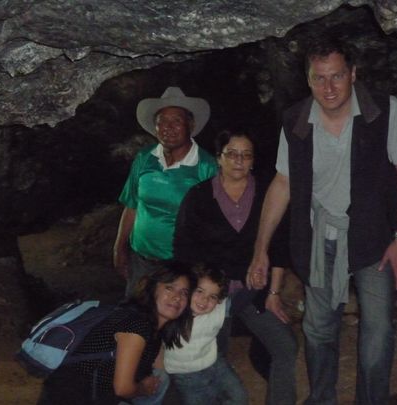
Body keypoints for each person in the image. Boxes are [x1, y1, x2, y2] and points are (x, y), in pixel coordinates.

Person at [248, 35, 397, 405]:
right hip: (318, 240)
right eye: (319, 78)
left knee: (378, 330)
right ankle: (322, 398)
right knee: (319, 329)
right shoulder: (295, 120)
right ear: (308, 79)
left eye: (337, 76)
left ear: (353, 73)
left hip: (373, 239)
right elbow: (282, 183)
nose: (329, 87)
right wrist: (260, 249)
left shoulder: (385, 112)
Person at [174, 129, 298, 405]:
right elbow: (183, 250)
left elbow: (279, 245)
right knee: (211, 358)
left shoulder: (269, 194)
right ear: (219, 158)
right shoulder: (199, 197)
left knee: (285, 346)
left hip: (253, 293)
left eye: (246, 155)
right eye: (231, 154)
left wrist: (273, 294)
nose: (239, 161)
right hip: (212, 297)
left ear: (254, 160)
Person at [37, 264, 196, 405]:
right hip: (70, 398)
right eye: (169, 287)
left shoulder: (154, 326)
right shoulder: (136, 325)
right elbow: (123, 388)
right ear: (153, 288)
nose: (177, 297)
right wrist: (143, 388)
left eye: (184, 293)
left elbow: (158, 366)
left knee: (161, 378)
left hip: (93, 393)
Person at [113, 87, 217, 296]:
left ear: (191, 124)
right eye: (161, 121)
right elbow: (132, 205)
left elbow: (213, 221)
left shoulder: (206, 166)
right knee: (135, 319)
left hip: (181, 265)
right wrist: (119, 248)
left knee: (172, 322)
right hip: (141, 259)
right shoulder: (144, 158)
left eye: (176, 121)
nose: (168, 127)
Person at [164, 266, 248, 405]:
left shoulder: (217, 310)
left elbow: (239, 301)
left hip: (215, 364)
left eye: (212, 296)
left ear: (219, 301)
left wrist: (255, 284)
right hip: (186, 375)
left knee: (240, 397)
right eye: (199, 291)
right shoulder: (172, 310)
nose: (204, 299)